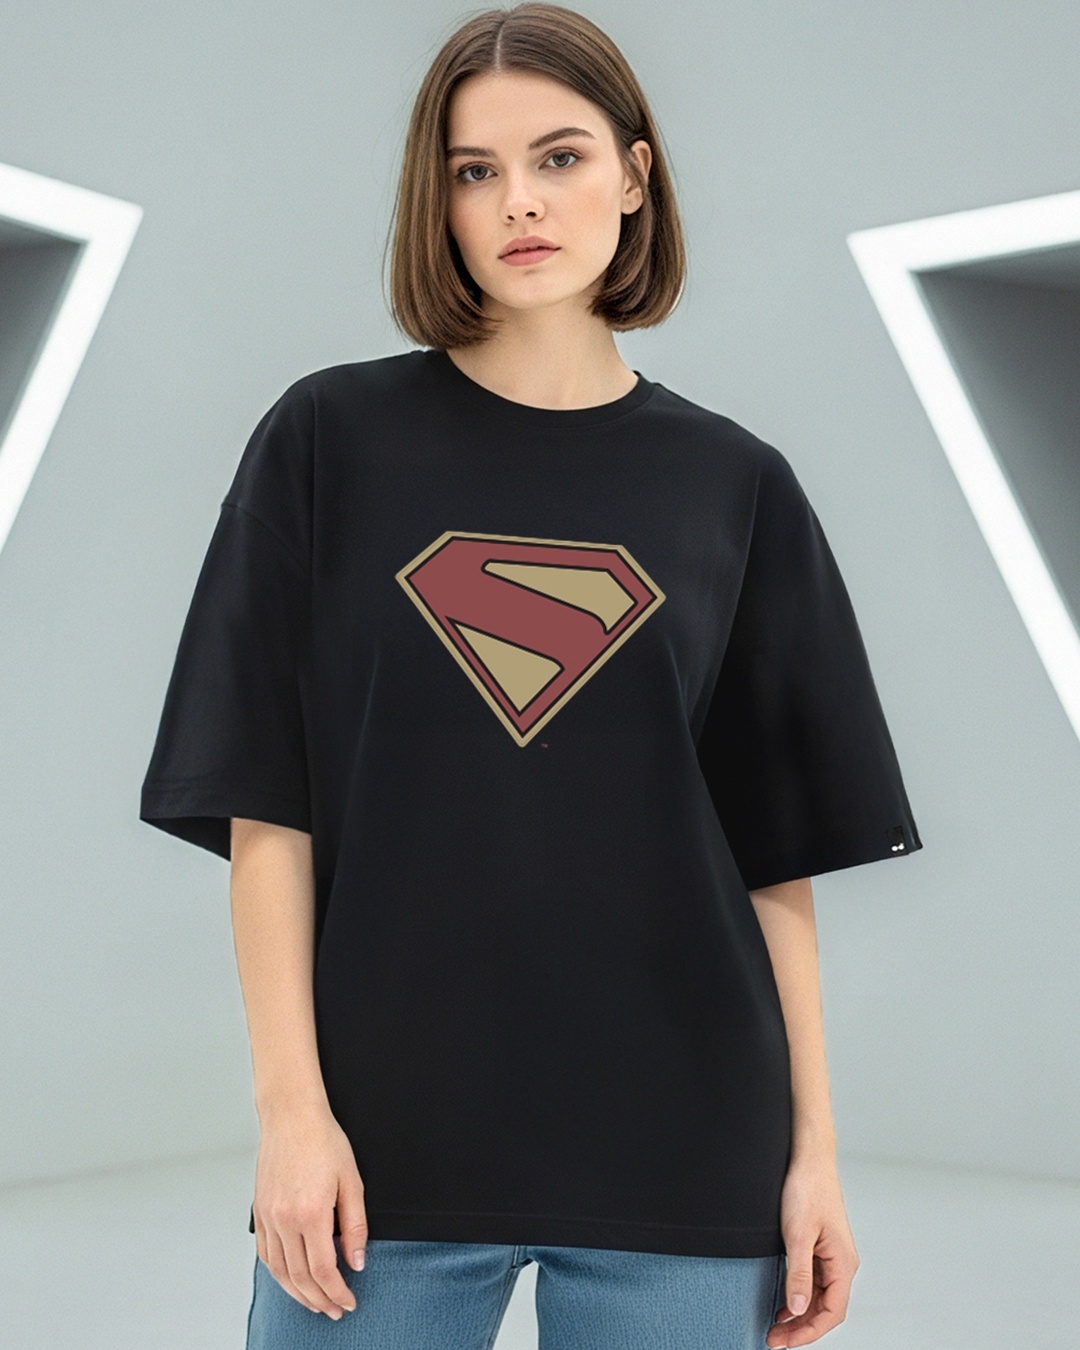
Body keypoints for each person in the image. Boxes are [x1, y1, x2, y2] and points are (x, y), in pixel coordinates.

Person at [139, 5, 923, 1348]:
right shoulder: (327, 440)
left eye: (560, 157)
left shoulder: (735, 484)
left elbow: (770, 863)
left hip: (685, 1152)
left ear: (635, 175)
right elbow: (269, 807)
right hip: (376, 1150)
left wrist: (815, 1157)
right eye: (475, 169)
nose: (520, 201)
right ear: (436, 200)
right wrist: (290, 1115)